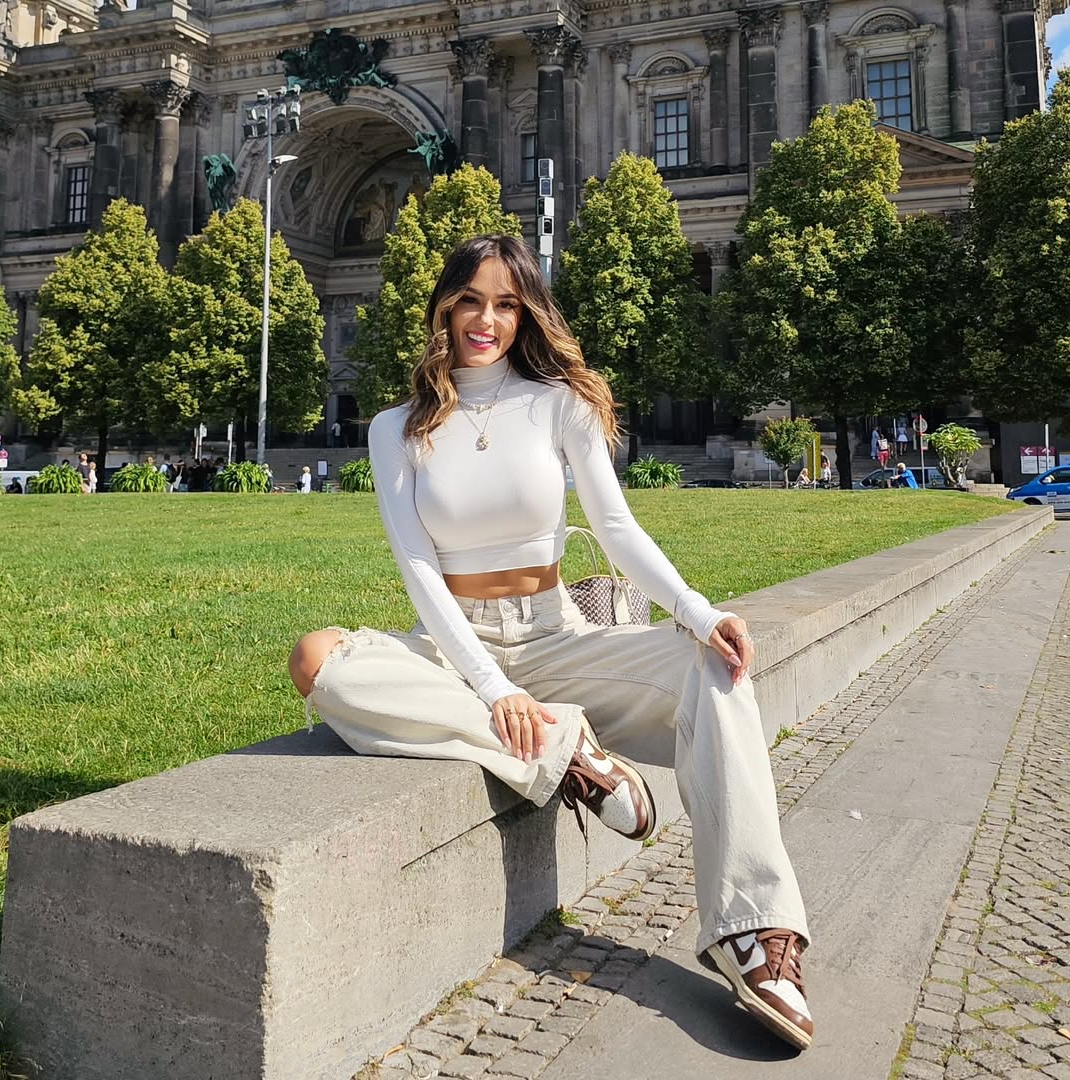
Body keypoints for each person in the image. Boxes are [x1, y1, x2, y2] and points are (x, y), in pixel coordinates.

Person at [288, 235, 813, 1051]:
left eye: (506, 303)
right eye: (469, 300)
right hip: (455, 647)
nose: (486, 320)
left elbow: (615, 526)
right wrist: (495, 691)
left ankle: (752, 930)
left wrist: (696, 611)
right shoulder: (397, 428)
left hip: (555, 635)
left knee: (715, 668)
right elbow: (418, 566)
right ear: (443, 308)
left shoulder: (560, 402)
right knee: (317, 659)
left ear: (526, 313)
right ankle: (565, 751)